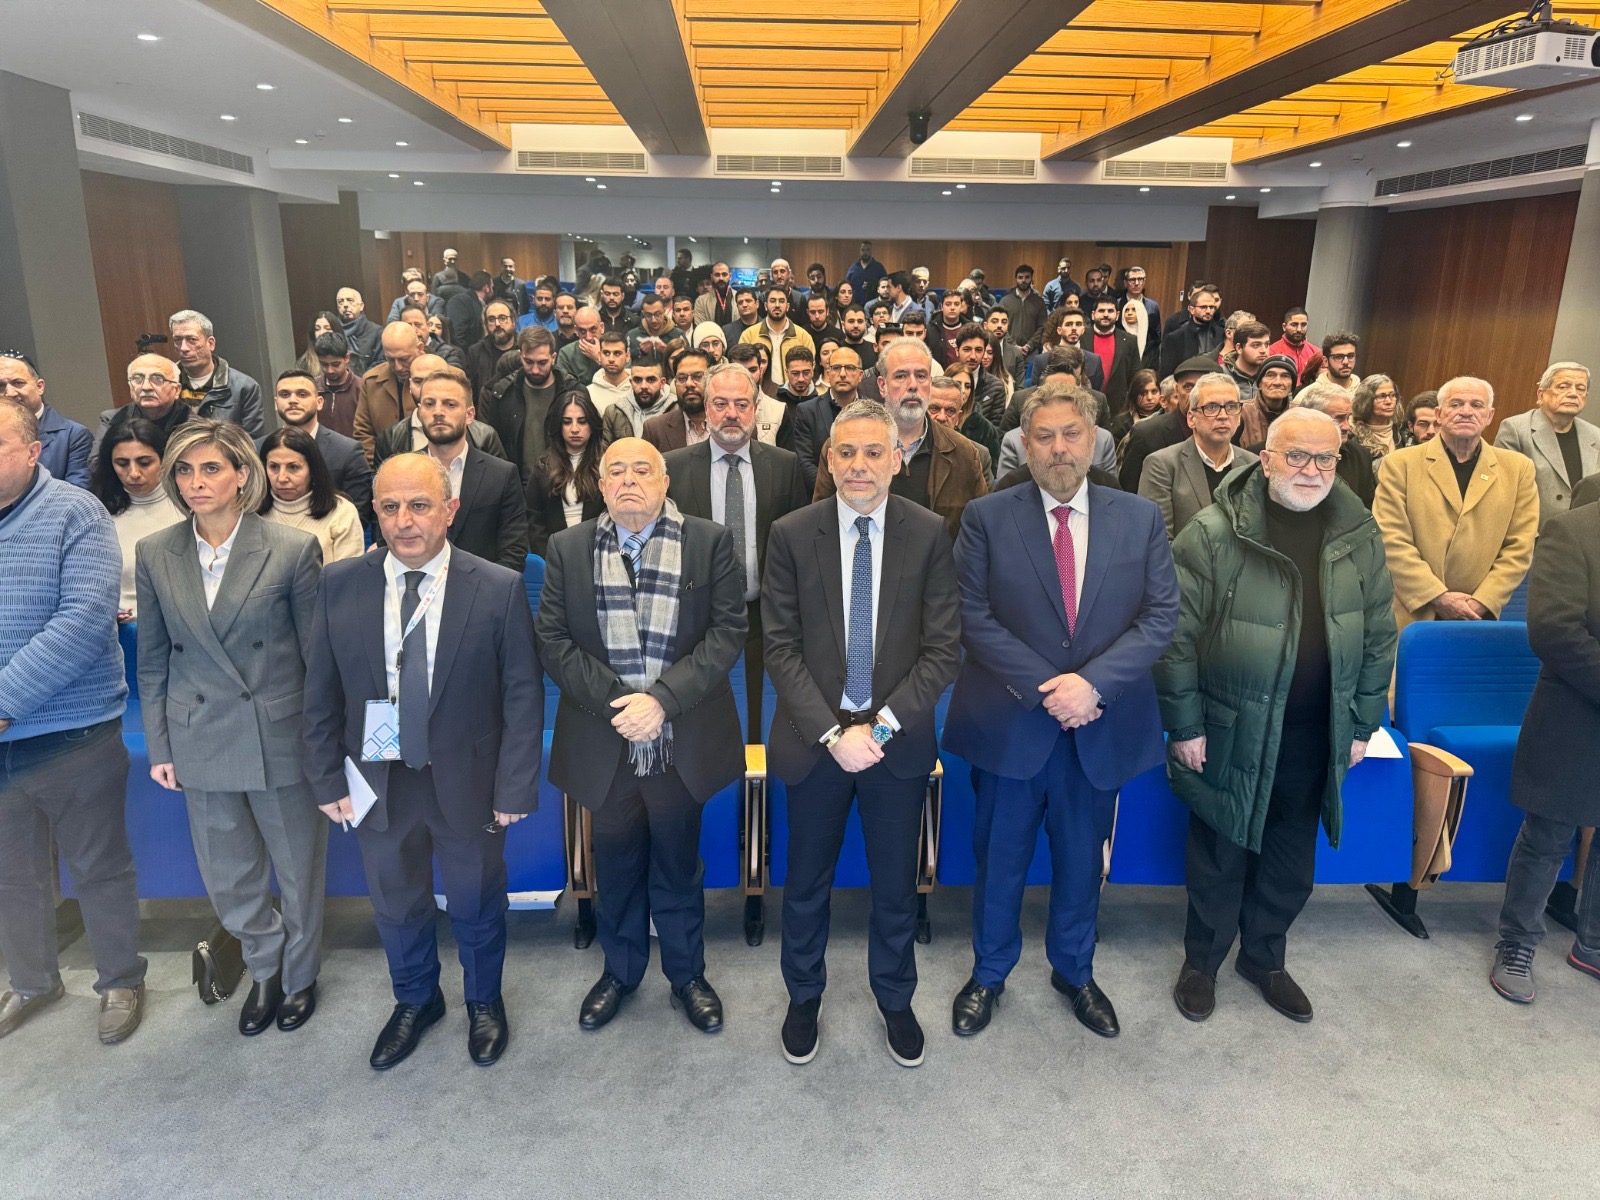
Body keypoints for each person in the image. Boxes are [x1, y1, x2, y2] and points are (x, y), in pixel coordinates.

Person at [943, 382, 1179, 1039]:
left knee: (1081, 863)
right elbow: (970, 615)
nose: (1058, 448)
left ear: (1094, 439)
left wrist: (1092, 686)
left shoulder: (1139, 518)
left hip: (1099, 726)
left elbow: (1160, 617)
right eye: (1043, 437)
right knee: (999, 862)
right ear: (1023, 444)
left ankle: (1075, 971)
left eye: (1071, 434)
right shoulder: (988, 516)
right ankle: (989, 973)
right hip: (1010, 724)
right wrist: (1052, 687)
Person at [303, 453, 543, 1069]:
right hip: (377, 776)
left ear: (450, 509)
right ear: (374, 511)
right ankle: (415, 999)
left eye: (419, 505)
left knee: (476, 900)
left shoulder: (497, 587)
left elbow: (522, 695)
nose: (404, 521)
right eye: (390, 507)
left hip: (468, 778)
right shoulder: (339, 584)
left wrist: (515, 786)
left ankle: (483, 1000)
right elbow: (321, 691)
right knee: (395, 901)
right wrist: (326, 777)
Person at [1156, 407, 1396, 1024]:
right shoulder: (1212, 532)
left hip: (1316, 731)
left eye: (1325, 458)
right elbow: (1175, 638)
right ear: (1265, 460)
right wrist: (1185, 725)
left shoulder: (1358, 532)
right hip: (1231, 726)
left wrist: (1362, 725)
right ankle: (1202, 963)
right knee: (1220, 853)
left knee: (1290, 860)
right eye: (1296, 455)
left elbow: (1378, 635)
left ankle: (1263, 958)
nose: (1311, 470)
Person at [762, 398, 961, 1067]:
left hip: (894, 746)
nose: (859, 465)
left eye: (874, 452)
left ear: (897, 460)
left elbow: (943, 650)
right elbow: (780, 648)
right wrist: (832, 734)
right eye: (845, 452)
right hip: (814, 742)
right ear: (828, 458)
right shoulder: (792, 533)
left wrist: (879, 727)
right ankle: (804, 995)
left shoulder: (928, 533)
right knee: (805, 884)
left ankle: (895, 997)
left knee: (895, 888)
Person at [535, 438, 747, 1035]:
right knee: (617, 865)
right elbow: (552, 640)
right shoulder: (567, 547)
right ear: (600, 485)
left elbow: (727, 634)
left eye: (642, 470)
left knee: (678, 865)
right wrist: (621, 705)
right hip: (605, 740)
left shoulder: (709, 541)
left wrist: (662, 702)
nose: (629, 480)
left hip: (680, 740)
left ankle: (687, 975)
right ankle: (620, 972)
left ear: (665, 481)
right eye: (616, 472)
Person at [135, 419, 325, 1037]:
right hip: (199, 730)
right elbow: (153, 659)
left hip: (278, 730)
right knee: (228, 871)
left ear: (243, 474)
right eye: (184, 471)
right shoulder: (155, 551)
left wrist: (325, 741)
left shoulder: (292, 548)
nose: (196, 482)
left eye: (211, 468)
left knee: (297, 867)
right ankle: (263, 965)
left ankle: (299, 975)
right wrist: (160, 745)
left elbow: (318, 657)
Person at [0, 399, 147, 1045]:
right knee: (11, 872)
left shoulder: (76, 512)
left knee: (98, 867)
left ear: (33, 451)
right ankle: (32, 981)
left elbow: (83, 621)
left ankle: (120, 979)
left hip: (71, 733)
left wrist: (3, 703)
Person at [1489, 499, 1600, 1003]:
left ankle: (1592, 943)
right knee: (1548, 835)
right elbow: (1554, 631)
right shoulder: (1573, 530)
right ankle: (1518, 942)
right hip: (1574, 712)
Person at [665, 363, 809, 743]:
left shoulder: (785, 465)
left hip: (764, 617)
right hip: (696, 618)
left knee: (758, 720)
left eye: (742, 404)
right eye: (721, 403)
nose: (731, 413)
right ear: (706, 408)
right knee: (702, 722)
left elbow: (797, 546)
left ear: (756, 409)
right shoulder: (673, 467)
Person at [1373, 376, 1538, 629]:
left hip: (1478, 616)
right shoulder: (1400, 464)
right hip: (1413, 612)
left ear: (1490, 416)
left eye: (1477, 405)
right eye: (1456, 404)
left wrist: (1482, 601)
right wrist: (1437, 596)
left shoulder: (1518, 469)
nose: (1466, 412)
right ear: (1439, 414)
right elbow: (1391, 538)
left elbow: (1520, 545)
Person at [814, 338, 988, 540]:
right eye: (901, 376)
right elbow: (822, 525)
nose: (913, 385)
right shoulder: (843, 448)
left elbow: (980, 530)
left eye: (921, 376)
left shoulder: (964, 453)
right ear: (882, 385)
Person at [399, 367, 527, 570]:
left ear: (469, 415)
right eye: (429, 404)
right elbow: (389, 542)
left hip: (482, 585)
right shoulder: (400, 473)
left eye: (450, 404)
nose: (438, 412)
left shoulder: (501, 475)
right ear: (420, 412)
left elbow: (513, 551)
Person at [1139, 373, 1252, 540]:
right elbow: (1157, 541)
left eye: (1231, 406)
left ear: (1239, 417)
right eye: (1211, 407)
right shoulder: (1162, 465)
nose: (1223, 415)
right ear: (1191, 419)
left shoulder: (1253, 465)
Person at [92, 419, 184, 620]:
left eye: (144, 463)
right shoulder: (97, 515)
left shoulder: (190, 506)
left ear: (164, 459)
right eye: (122, 464)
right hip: (122, 628)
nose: (133, 473)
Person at [1493, 362, 1598, 528]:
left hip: (1581, 535)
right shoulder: (1516, 429)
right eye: (1563, 387)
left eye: (1580, 388)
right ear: (1541, 394)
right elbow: (1503, 492)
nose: (1573, 394)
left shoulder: (1595, 435)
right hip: (1533, 535)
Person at [481, 326, 587, 487]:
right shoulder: (503, 394)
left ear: (553, 358)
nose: (535, 370)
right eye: (529, 362)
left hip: (565, 482)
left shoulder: (574, 391)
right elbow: (495, 448)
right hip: (517, 485)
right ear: (520, 356)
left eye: (542, 363)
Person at [267, 369, 373, 526]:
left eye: (302, 394)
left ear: (319, 402)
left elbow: (358, 516)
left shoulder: (347, 451)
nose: (293, 400)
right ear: (276, 403)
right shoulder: (258, 449)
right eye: (285, 395)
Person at [258, 426, 364, 563]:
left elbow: (348, 573)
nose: (282, 478)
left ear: (313, 470)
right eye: (274, 467)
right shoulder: (252, 512)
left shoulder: (341, 512)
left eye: (293, 467)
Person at [1120, 354, 1215, 492]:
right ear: (1177, 390)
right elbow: (1129, 492)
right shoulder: (1147, 434)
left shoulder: (1231, 429)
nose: (1195, 394)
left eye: (1204, 387)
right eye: (1188, 387)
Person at [529, 390, 607, 557]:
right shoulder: (542, 467)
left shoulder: (608, 465)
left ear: (592, 425)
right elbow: (535, 522)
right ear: (559, 425)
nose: (574, 429)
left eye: (582, 421)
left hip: (599, 554)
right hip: (554, 556)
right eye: (567, 422)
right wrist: (550, 558)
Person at [0, 352, 91, 489]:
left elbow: (76, 494)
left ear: (40, 387)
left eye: (18, 383)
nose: (9, 393)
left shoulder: (74, 435)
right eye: (0, 386)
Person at [169, 310, 265, 436]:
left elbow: (252, 441)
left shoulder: (244, 387)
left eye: (192, 340)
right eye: (177, 340)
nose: (183, 348)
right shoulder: (166, 384)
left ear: (210, 343)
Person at [1287, 381, 1377, 509]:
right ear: (1313, 418)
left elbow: (1365, 509)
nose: (1347, 426)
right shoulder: (1283, 452)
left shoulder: (1360, 456)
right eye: (1339, 419)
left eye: (1348, 418)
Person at [354, 322, 425, 463]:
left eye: (404, 359)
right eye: (390, 359)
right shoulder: (371, 381)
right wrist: (379, 467)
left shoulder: (447, 377)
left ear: (420, 348)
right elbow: (363, 432)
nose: (398, 367)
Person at [642, 348, 713, 452]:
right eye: (682, 378)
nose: (689, 384)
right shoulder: (655, 429)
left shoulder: (729, 424)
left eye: (698, 377)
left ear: (713, 379)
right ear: (675, 383)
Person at [931, 374, 998, 481]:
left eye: (950, 411)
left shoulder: (977, 456)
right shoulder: (905, 452)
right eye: (934, 409)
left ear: (958, 417)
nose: (942, 417)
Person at [602, 353, 676, 443]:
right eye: (637, 380)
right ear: (631, 382)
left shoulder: (677, 410)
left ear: (662, 383)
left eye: (651, 380)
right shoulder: (614, 413)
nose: (644, 386)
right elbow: (606, 450)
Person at [1159, 285, 1223, 378]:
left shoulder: (1221, 334)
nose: (1208, 311)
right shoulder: (1176, 338)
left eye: (1212, 307)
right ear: (1192, 309)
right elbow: (1167, 375)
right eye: (1203, 307)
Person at [1237, 354, 1298, 449]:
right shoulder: (1240, 413)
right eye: (1270, 375)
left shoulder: (1300, 415)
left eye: (1285, 376)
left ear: (1291, 387)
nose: (1277, 382)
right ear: (1259, 384)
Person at [312, 331, 362, 438]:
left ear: (347, 358)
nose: (330, 370)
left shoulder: (361, 389)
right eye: (324, 364)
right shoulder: (312, 388)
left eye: (335, 364)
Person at [467, 299, 519, 397]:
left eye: (502, 318)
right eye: (491, 319)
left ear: (513, 321)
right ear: (486, 325)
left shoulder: (524, 348)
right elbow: (470, 390)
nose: (497, 324)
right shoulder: (476, 351)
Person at [1350, 375, 1401, 462]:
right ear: (1366, 400)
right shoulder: (1353, 436)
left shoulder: (1402, 431)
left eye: (1392, 395)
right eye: (1382, 396)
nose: (1389, 401)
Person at [335, 288, 383, 370]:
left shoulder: (376, 332)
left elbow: (381, 363)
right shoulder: (333, 331)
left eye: (350, 300)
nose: (345, 305)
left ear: (361, 306)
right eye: (341, 302)